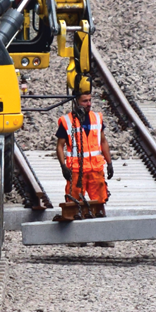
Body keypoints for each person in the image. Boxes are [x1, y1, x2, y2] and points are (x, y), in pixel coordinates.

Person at [56, 84, 114, 218]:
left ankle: (100, 235)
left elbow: (103, 141)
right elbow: (60, 146)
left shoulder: (97, 118)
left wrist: (109, 163)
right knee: (74, 204)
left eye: (89, 100)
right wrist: (63, 166)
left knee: (100, 203)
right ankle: (77, 235)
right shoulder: (67, 121)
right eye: (84, 101)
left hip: (95, 169)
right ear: (76, 102)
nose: (88, 104)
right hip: (76, 171)